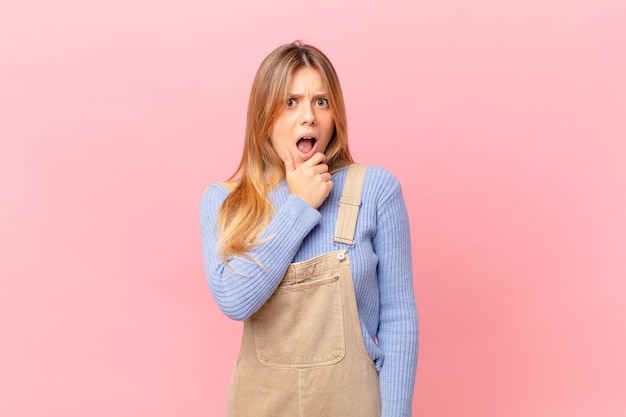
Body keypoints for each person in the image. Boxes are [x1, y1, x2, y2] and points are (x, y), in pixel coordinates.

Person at [200, 41, 418, 417]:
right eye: (290, 102)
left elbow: (399, 318)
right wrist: (299, 205)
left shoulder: (375, 190)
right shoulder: (224, 202)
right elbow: (235, 301)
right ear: (262, 115)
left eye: (321, 101)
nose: (309, 117)